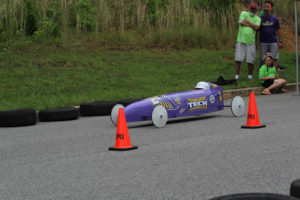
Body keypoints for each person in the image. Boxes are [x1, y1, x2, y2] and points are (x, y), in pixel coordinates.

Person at [234, 2, 261, 80]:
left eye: (254, 9)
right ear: (249, 8)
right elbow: (240, 22)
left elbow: (257, 27)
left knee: (250, 60)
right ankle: (236, 76)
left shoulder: (258, 18)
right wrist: (251, 25)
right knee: (238, 59)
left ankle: (250, 77)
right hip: (241, 40)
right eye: (251, 8)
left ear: (256, 10)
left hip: (251, 42)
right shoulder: (243, 13)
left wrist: (248, 22)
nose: (252, 10)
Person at [258, 3, 285, 71]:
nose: (266, 12)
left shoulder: (274, 19)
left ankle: (274, 74)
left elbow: (278, 30)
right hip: (263, 42)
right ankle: (265, 73)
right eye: (265, 10)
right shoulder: (259, 19)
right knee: (264, 58)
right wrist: (255, 42)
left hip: (273, 41)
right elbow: (256, 31)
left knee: (274, 58)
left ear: (270, 10)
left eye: (267, 10)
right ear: (263, 10)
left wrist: (280, 41)